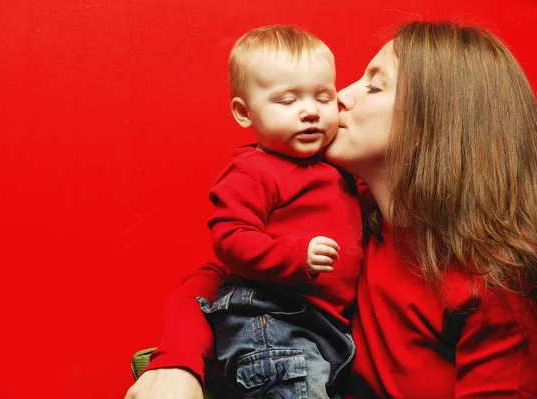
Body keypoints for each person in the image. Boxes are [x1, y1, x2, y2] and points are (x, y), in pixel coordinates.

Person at [125, 21, 537, 399]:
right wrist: (177, 363)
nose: (340, 96)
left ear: (432, 124)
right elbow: (219, 277)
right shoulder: (355, 211)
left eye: (374, 87)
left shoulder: (494, 282)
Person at [199, 25, 363, 398]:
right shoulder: (253, 170)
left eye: (323, 98)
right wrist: (293, 253)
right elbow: (229, 236)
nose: (310, 112)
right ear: (244, 113)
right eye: (287, 101)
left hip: (324, 326)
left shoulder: (337, 165)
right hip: (271, 319)